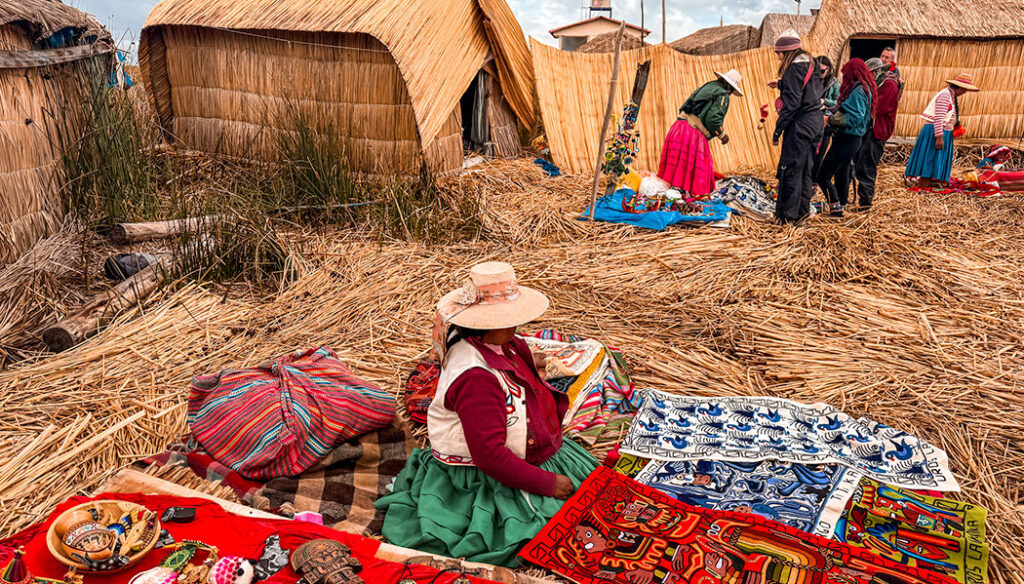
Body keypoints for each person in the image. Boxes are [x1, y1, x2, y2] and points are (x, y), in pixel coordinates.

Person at [375, 261, 597, 567]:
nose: (518, 325)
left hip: (526, 451)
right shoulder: (476, 378)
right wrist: (546, 483)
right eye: (510, 318)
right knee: (561, 526)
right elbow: (489, 456)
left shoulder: (504, 343)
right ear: (485, 322)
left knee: (594, 495)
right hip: (484, 475)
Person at [658, 69, 744, 197]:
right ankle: (682, 193)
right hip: (691, 133)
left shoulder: (709, 86)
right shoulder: (723, 95)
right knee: (700, 173)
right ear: (731, 88)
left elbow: (686, 104)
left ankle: (673, 193)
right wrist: (721, 134)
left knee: (676, 169)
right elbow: (713, 119)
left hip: (678, 128)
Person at [770, 30, 823, 225]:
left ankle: (787, 218)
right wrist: (782, 84)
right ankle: (802, 214)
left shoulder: (793, 68)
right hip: (815, 122)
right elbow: (808, 90)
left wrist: (778, 130)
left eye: (779, 53)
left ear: (787, 52)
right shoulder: (812, 63)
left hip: (800, 125)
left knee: (790, 169)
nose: (778, 57)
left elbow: (792, 105)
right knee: (805, 170)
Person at [816, 59, 875, 217]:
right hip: (851, 139)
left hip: (848, 139)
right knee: (841, 173)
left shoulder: (858, 91)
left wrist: (831, 119)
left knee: (823, 176)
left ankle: (835, 208)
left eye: (846, 74)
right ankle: (841, 204)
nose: (844, 77)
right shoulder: (863, 88)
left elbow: (855, 116)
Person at [905, 73, 980, 187]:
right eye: (964, 89)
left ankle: (929, 183)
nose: (964, 92)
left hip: (942, 132)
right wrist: (939, 137)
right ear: (958, 87)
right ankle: (924, 184)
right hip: (935, 132)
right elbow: (938, 118)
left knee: (934, 158)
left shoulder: (951, 96)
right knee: (930, 158)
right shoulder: (945, 96)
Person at [852, 58, 900, 211]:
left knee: (867, 166)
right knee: (859, 164)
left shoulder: (889, 85)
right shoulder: (875, 85)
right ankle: (860, 200)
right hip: (868, 130)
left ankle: (865, 203)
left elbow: (878, 108)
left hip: (877, 132)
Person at [811, 56, 840, 183]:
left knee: (819, 153)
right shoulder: (810, 80)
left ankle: (814, 181)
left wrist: (825, 101)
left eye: (822, 71)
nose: (820, 74)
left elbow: (839, 103)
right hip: (810, 121)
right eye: (817, 70)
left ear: (829, 70)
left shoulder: (834, 84)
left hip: (825, 123)